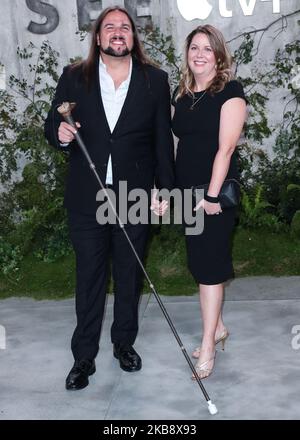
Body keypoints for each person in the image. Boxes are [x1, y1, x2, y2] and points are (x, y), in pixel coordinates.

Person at [44, 6, 174, 390]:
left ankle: (123, 344)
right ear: (98, 37)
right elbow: (53, 124)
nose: (118, 32)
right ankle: (83, 358)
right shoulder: (73, 77)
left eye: (125, 27)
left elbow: (162, 142)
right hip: (88, 196)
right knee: (89, 278)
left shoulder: (155, 79)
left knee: (129, 275)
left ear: (133, 37)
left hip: (134, 194)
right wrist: (60, 135)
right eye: (110, 27)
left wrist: (162, 189)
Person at [172, 25, 247, 379]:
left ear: (219, 55)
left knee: (210, 270)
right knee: (200, 265)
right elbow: (179, 146)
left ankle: (207, 345)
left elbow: (226, 148)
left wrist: (212, 196)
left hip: (212, 197)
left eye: (207, 48)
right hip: (188, 194)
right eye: (194, 48)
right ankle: (216, 328)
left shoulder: (230, 91)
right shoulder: (183, 94)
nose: (199, 54)